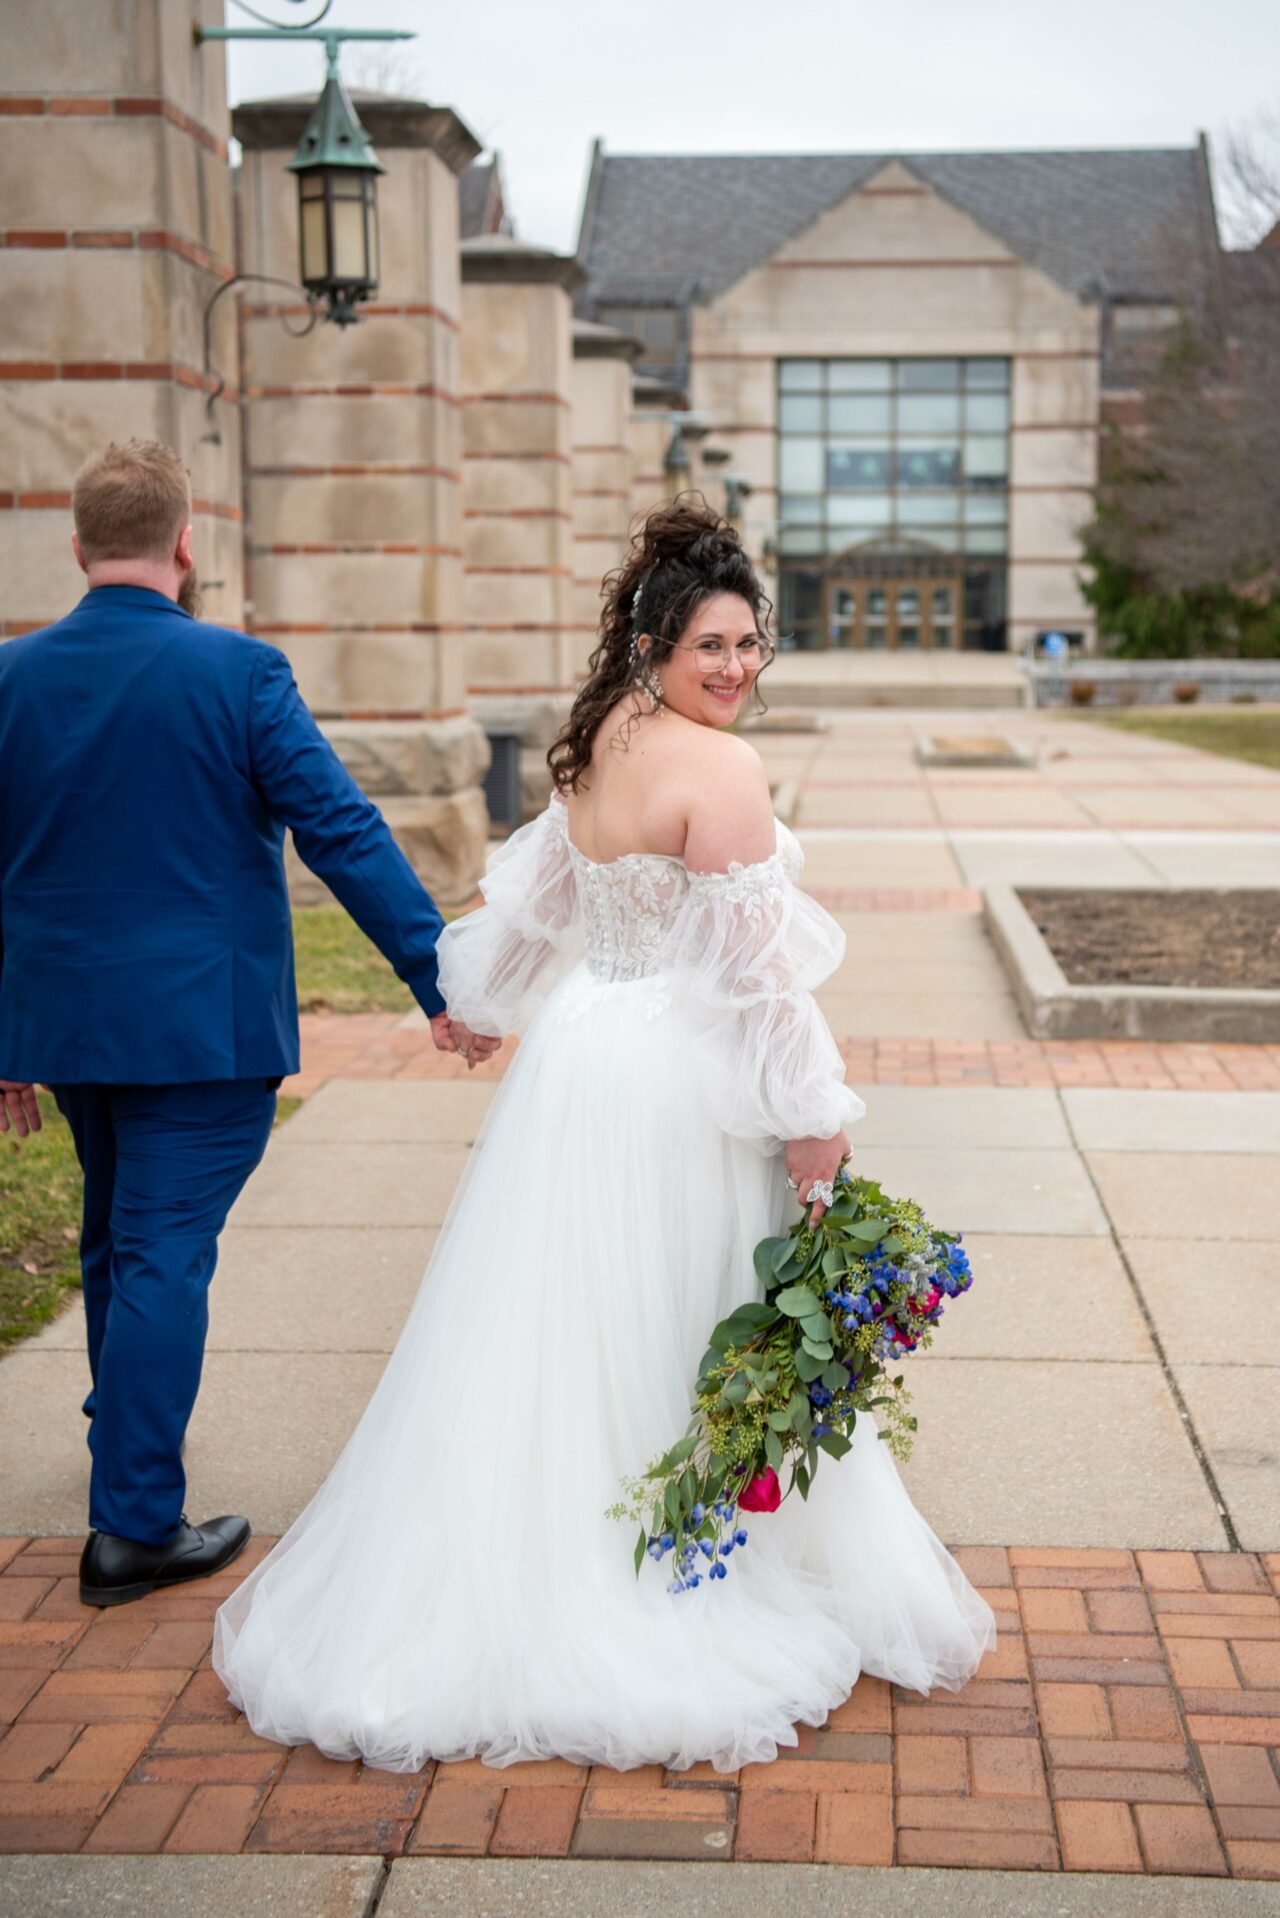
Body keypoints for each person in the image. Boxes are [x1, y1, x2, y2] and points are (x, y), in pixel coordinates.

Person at [214, 495, 994, 1772]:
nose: (736, 669)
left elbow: (534, 904)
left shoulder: (600, 740)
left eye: (751, 645)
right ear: (654, 648)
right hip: (670, 1073)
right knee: (659, 1308)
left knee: (562, 1312)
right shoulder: (721, 767)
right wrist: (812, 1126)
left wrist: (472, 1002)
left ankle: (548, 1545)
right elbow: (757, 985)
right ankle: (657, 1579)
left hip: (580, 1056)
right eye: (712, 648)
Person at [0, 440, 466, 1609]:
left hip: (70, 1028)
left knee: (119, 1240)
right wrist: (438, 973)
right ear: (187, 541)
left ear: (76, 545)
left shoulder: (13, 678)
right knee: (159, 1253)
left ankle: (128, 1449)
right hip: (202, 1032)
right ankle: (136, 1526)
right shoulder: (239, 673)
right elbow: (342, 830)